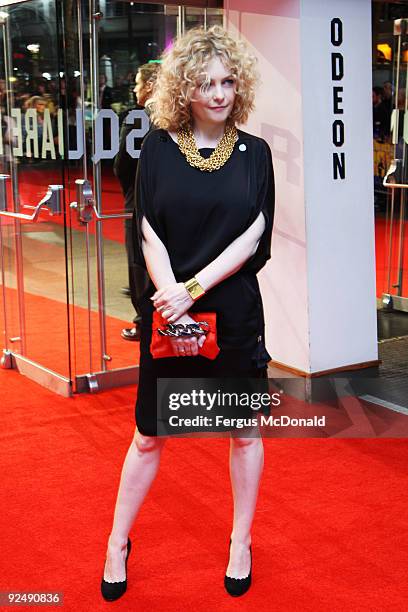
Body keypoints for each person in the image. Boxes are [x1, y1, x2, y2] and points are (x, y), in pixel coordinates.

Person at [101, 25, 275, 601]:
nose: (219, 94)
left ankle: (240, 542)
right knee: (150, 436)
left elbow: (254, 236)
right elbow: (147, 227)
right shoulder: (158, 147)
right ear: (185, 89)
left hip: (231, 310)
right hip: (169, 308)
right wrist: (172, 293)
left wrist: (192, 287)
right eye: (206, 83)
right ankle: (117, 542)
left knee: (244, 433)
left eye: (228, 82)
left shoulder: (256, 154)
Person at [113, 63, 159, 341]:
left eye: (139, 83)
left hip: (139, 202)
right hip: (167, 203)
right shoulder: (179, 115)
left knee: (139, 265)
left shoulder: (137, 118)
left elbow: (122, 164)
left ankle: (144, 324)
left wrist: (129, 192)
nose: (134, 89)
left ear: (151, 85)